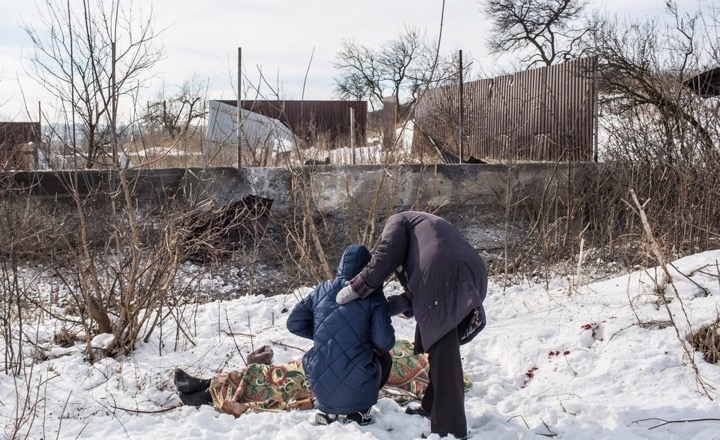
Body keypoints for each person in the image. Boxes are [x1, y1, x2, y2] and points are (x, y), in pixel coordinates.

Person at [336, 211, 488, 439]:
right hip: (473, 272)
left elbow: (387, 252)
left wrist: (359, 286)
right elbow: (421, 286)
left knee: (445, 355)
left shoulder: (397, 219)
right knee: (444, 346)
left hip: (442, 273)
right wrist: (396, 306)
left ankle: (450, 429)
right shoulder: (428, 227)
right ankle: (431, 406)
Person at [287, 243, 396, 426]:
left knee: (325, 359)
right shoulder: (372, 294)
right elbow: (384, 342)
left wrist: (326, 336)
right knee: (384, 358)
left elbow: (294, 323)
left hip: (318, 375)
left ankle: (327, 410)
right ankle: (359, 409)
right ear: (368, 268)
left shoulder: (322, 289)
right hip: (359, 371)